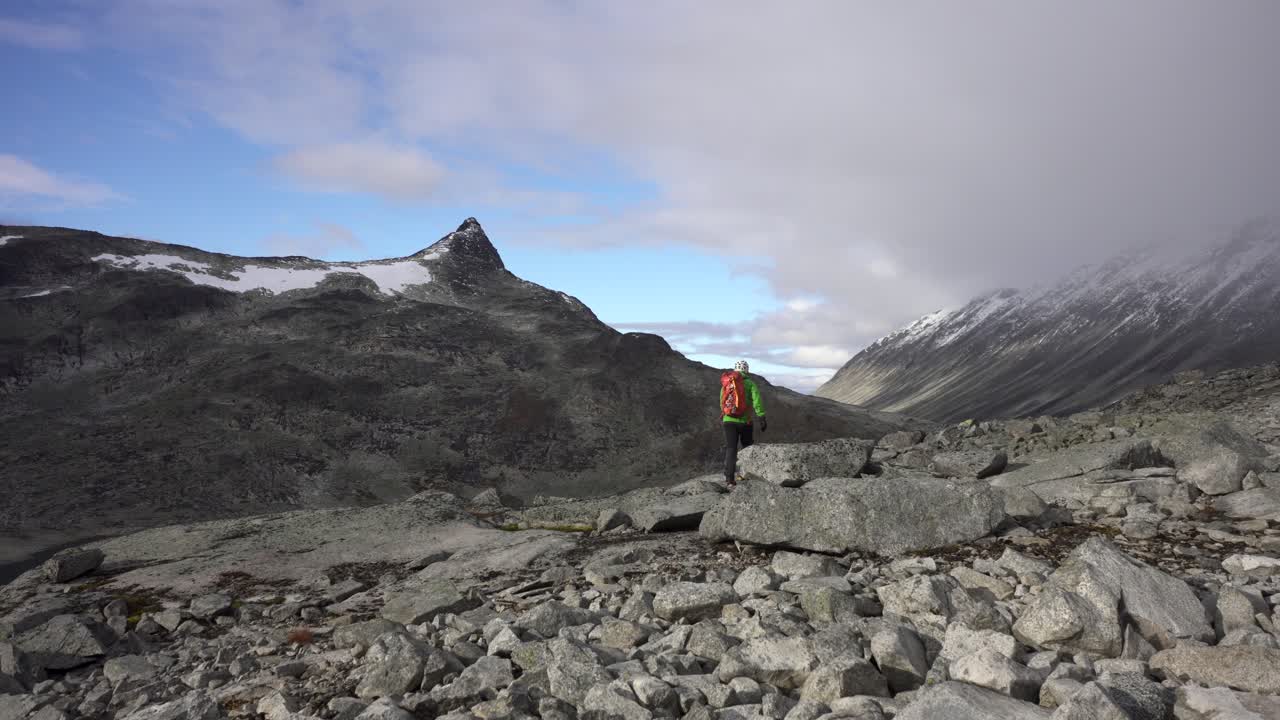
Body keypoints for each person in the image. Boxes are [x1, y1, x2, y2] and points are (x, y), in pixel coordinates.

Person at [721, 359, 766, 485]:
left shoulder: (727, 382)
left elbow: (722, 400)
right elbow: (757, 401)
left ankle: (729, 479)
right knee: (747, 448)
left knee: (731, 449)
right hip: (745, 422)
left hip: (728, 420)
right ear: (747, 370)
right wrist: (761, 417)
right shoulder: (750, 383)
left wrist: (726, 414)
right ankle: (744, 474)